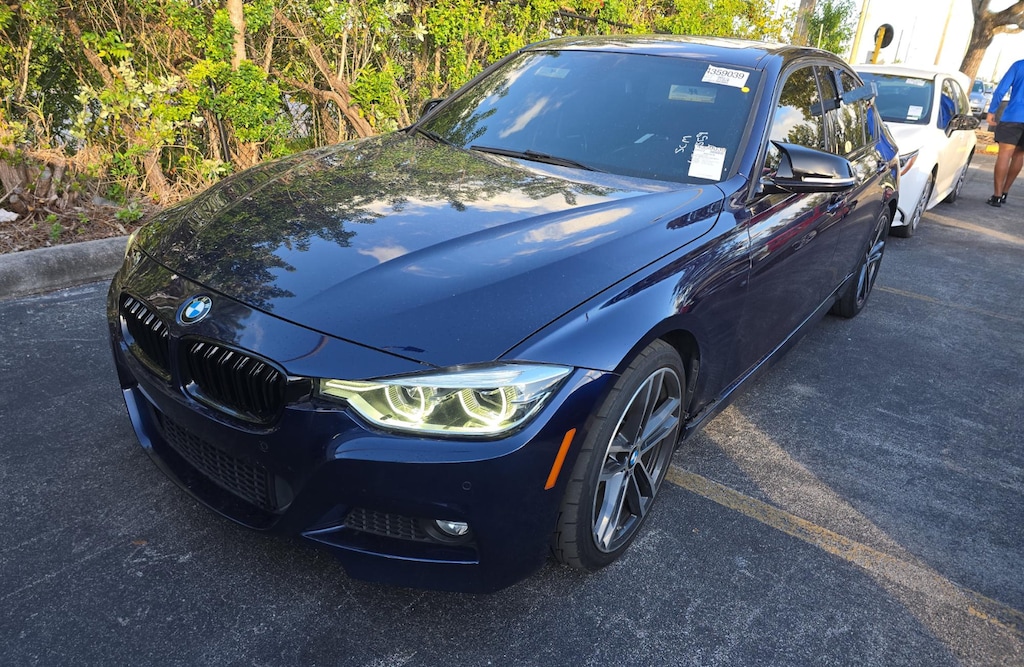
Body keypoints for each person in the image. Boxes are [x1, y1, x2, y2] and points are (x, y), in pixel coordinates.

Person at [986, 58, 1024, 207]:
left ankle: (996, 196)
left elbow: (1001, 89)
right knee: (1020, 155)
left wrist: (992, 111)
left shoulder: (1019, 65)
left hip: (1013, 116)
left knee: (1004, 155)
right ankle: (1005, 192)